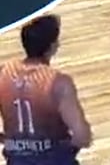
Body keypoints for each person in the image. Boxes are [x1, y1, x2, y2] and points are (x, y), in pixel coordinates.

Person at [0, 15, 92, 164]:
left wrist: (10, 141)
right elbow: (82, 137)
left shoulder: (3, 73)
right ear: (53, 46)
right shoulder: (59, 83)